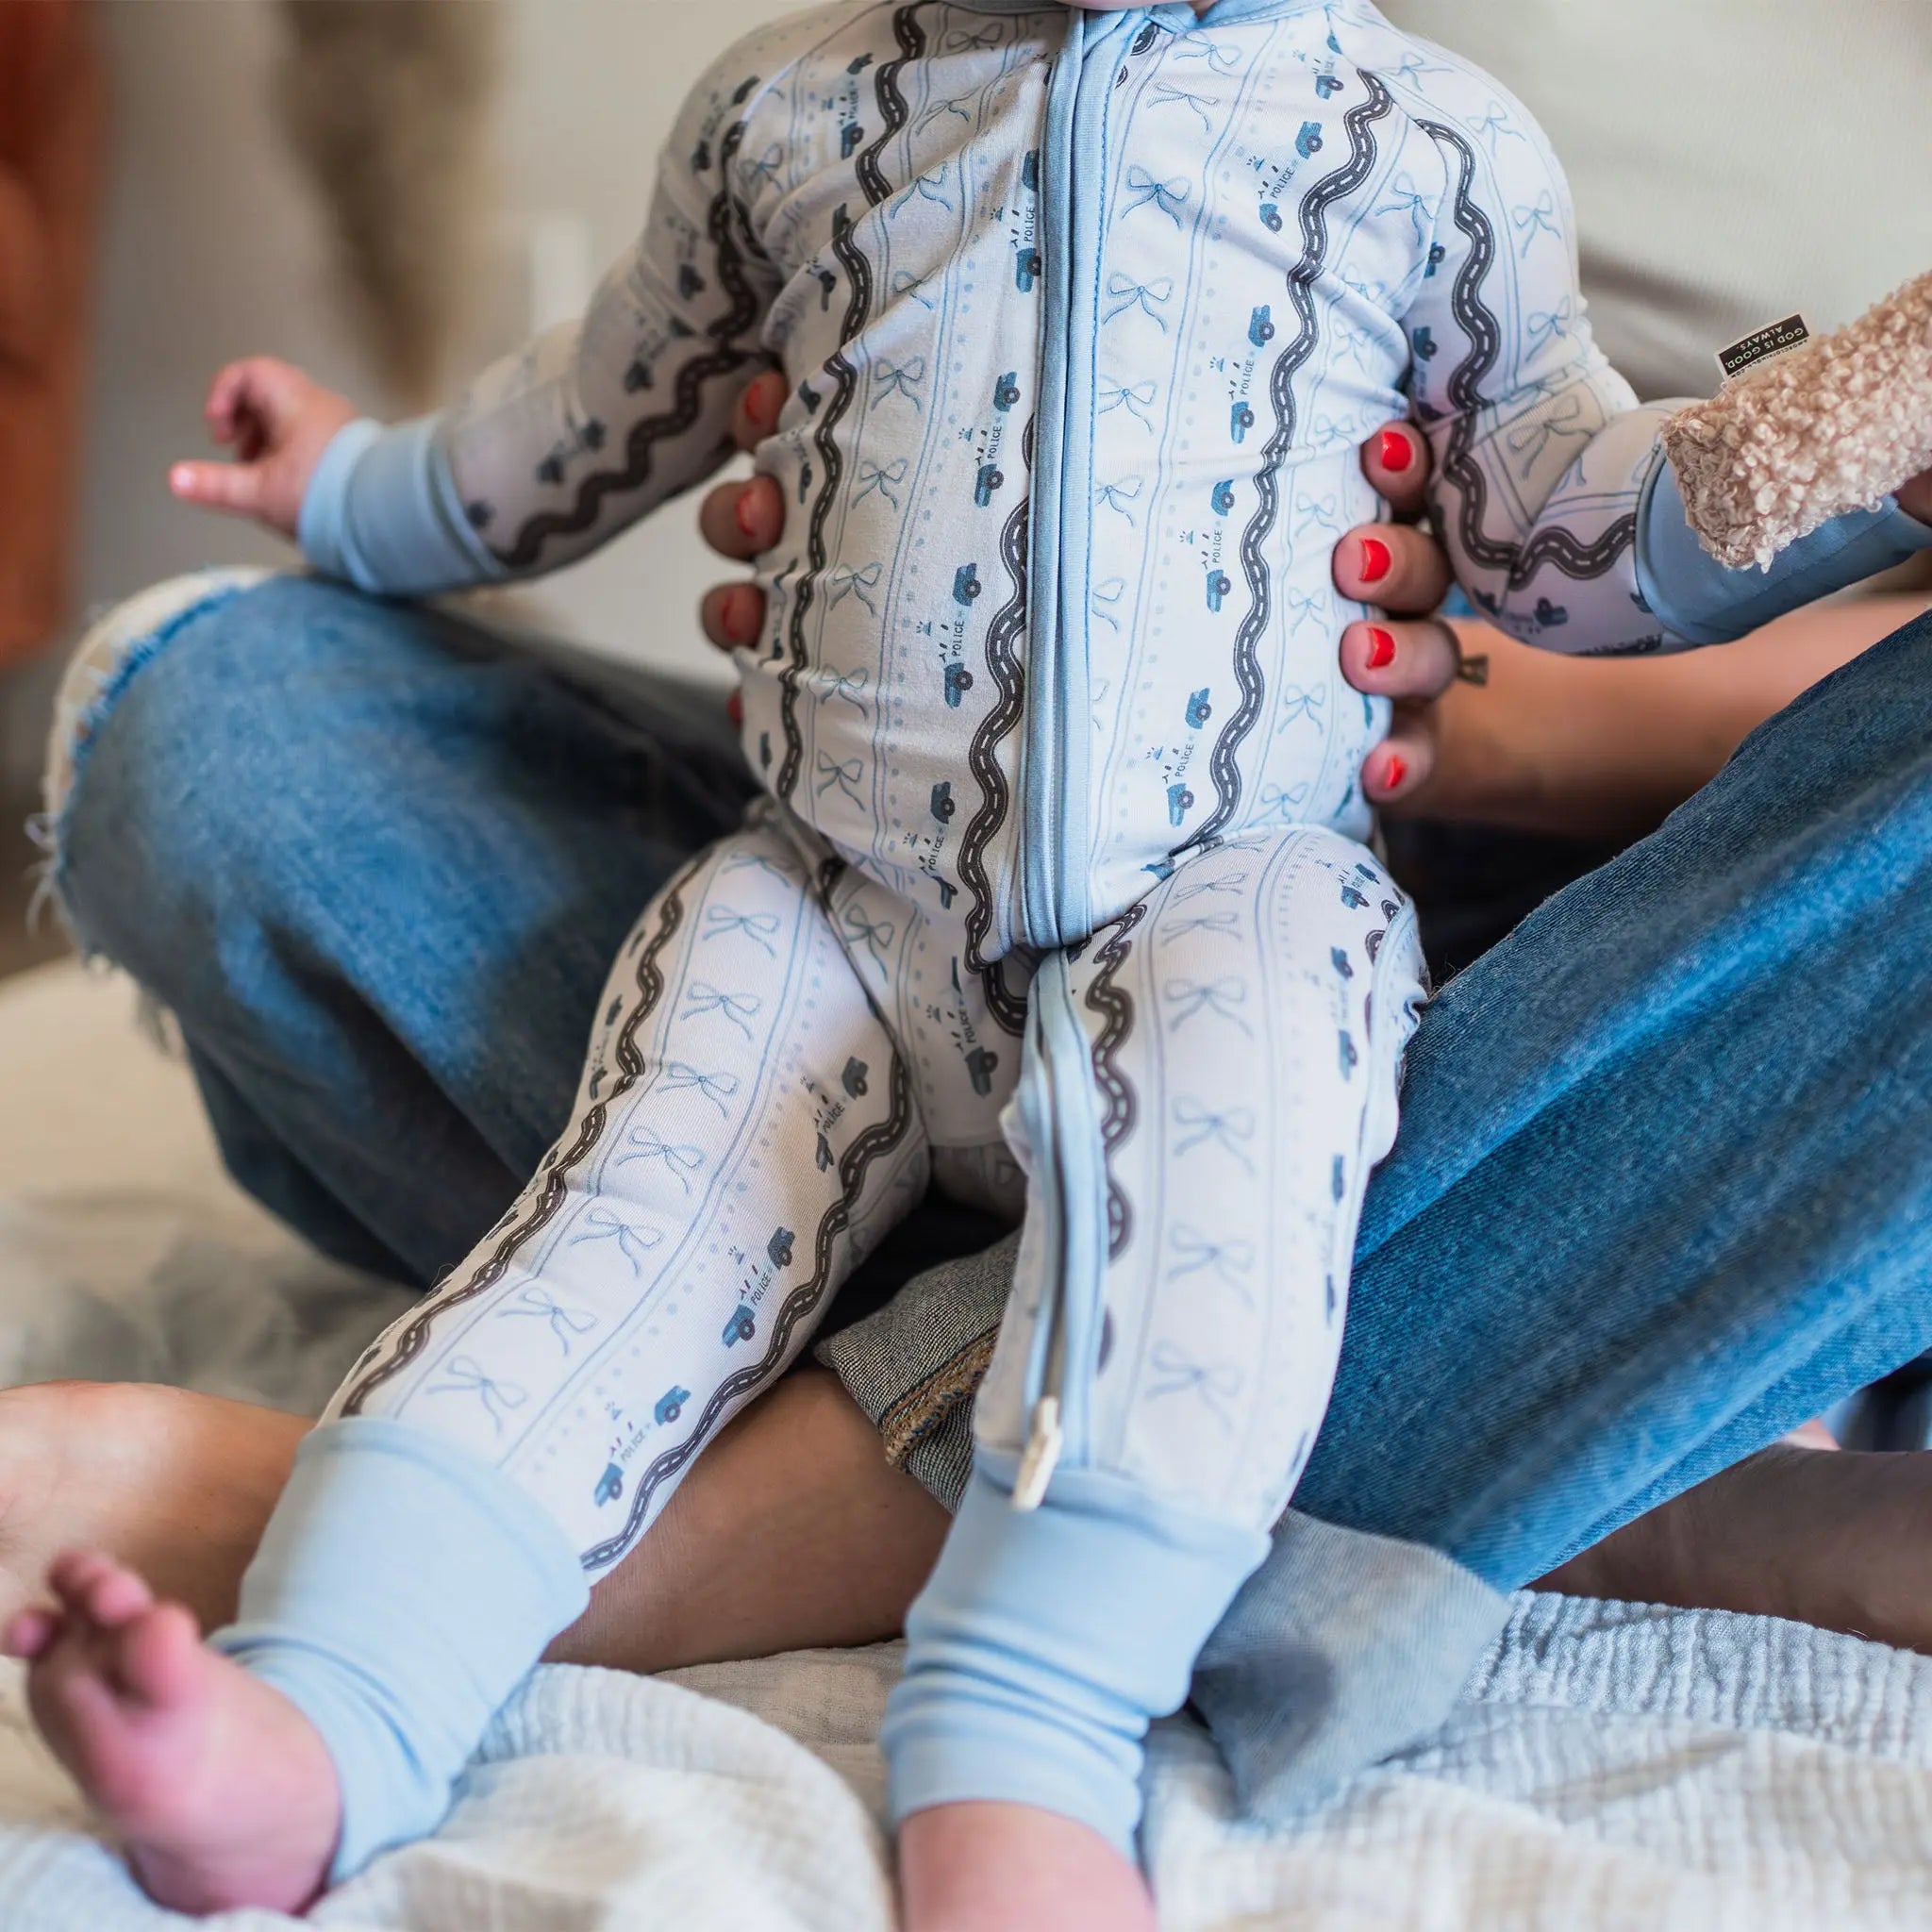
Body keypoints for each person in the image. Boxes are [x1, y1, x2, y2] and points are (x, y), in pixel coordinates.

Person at [8, 2, 1932, 1926]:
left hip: (1297, 895)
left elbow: (1581, 523)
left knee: (1230, 1126)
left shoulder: (1423, 140)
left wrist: (1860, 425)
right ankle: (329, 1701)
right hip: (833, 890)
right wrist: (355, 484)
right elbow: (577, 424)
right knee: (370, 891)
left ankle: (1011, 1712)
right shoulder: (785, 111)